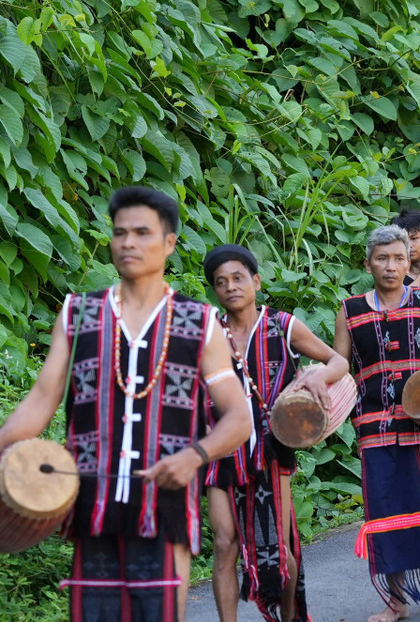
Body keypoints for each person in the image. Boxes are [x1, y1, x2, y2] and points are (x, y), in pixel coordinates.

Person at [0, 186, 253, 622]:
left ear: (169, 243)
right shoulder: (77, 314)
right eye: (119, 233)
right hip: (90, 503)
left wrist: (195, 456)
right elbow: (41, 401)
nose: (128, 243)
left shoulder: (199, 322)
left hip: (166, 508)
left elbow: (239, 417)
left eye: (142, 232)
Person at [202, 244, 350, 622]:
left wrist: (316, 376)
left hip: (271, 449)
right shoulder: (208, 335)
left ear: (256, 280)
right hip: (221, 452)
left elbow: (338, 360)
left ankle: (287, 617)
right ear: (214, 290)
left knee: (278, 549)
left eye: (238, 278)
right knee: (223, 543)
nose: (230, 287)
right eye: (221, 282)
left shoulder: (283, 325)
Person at [332, 224, 420, 621]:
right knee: (385, 515)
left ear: (408, 259)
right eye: (382, 259)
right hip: (373, 423)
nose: (391, 266)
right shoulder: (350, 309)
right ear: (368, 263)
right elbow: (342, 367)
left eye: (398, 258)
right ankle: (396, 601)